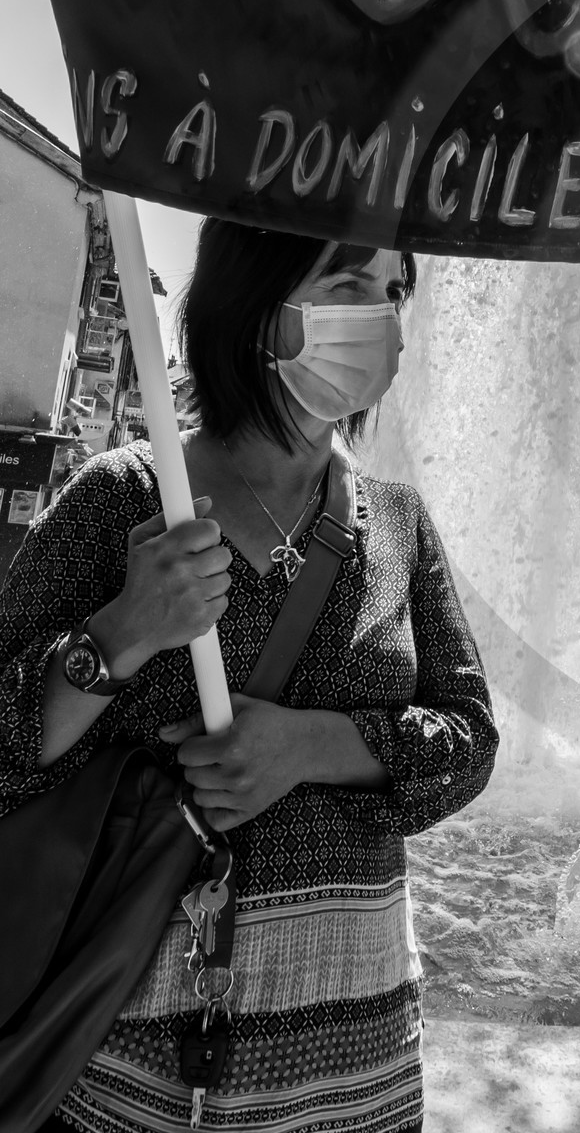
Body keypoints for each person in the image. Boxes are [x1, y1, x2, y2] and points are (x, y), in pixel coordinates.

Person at [0, 221, 499, 1133]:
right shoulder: (120, 498)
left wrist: (310, 747)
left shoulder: (397, 522)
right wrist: (121, 632)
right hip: (131, 1073)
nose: (383, 317)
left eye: (396, 291)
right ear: (257, 306)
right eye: (350, 284)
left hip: (360, 1076)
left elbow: (468, 741)